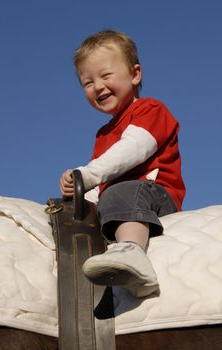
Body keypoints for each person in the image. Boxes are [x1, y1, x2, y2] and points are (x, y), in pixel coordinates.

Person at [60, 30, 185, 298]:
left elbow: (133, 149)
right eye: (87, 82)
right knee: (87, 208)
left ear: (135, 74)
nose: (98, 86)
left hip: (155, 193)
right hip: (119, 200)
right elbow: (100, 184)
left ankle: (133, 253)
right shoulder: (103, 134)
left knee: (121, 192)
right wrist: (77, 193)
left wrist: (87, 174)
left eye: (106, 76)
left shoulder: (151, 109)